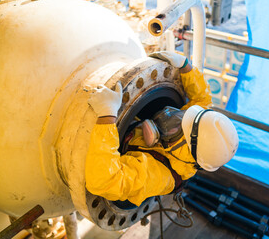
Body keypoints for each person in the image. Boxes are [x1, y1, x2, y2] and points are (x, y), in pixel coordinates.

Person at [85, 51, 239, 206]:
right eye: (182, 115)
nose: (170, 115)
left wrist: (107, 115)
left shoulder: (158, 175)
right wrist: (186, 66)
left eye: (178, 125)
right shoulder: (194, 135)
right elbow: (202, 100)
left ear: (183, 145)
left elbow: (103, 181)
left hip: (116, 162)